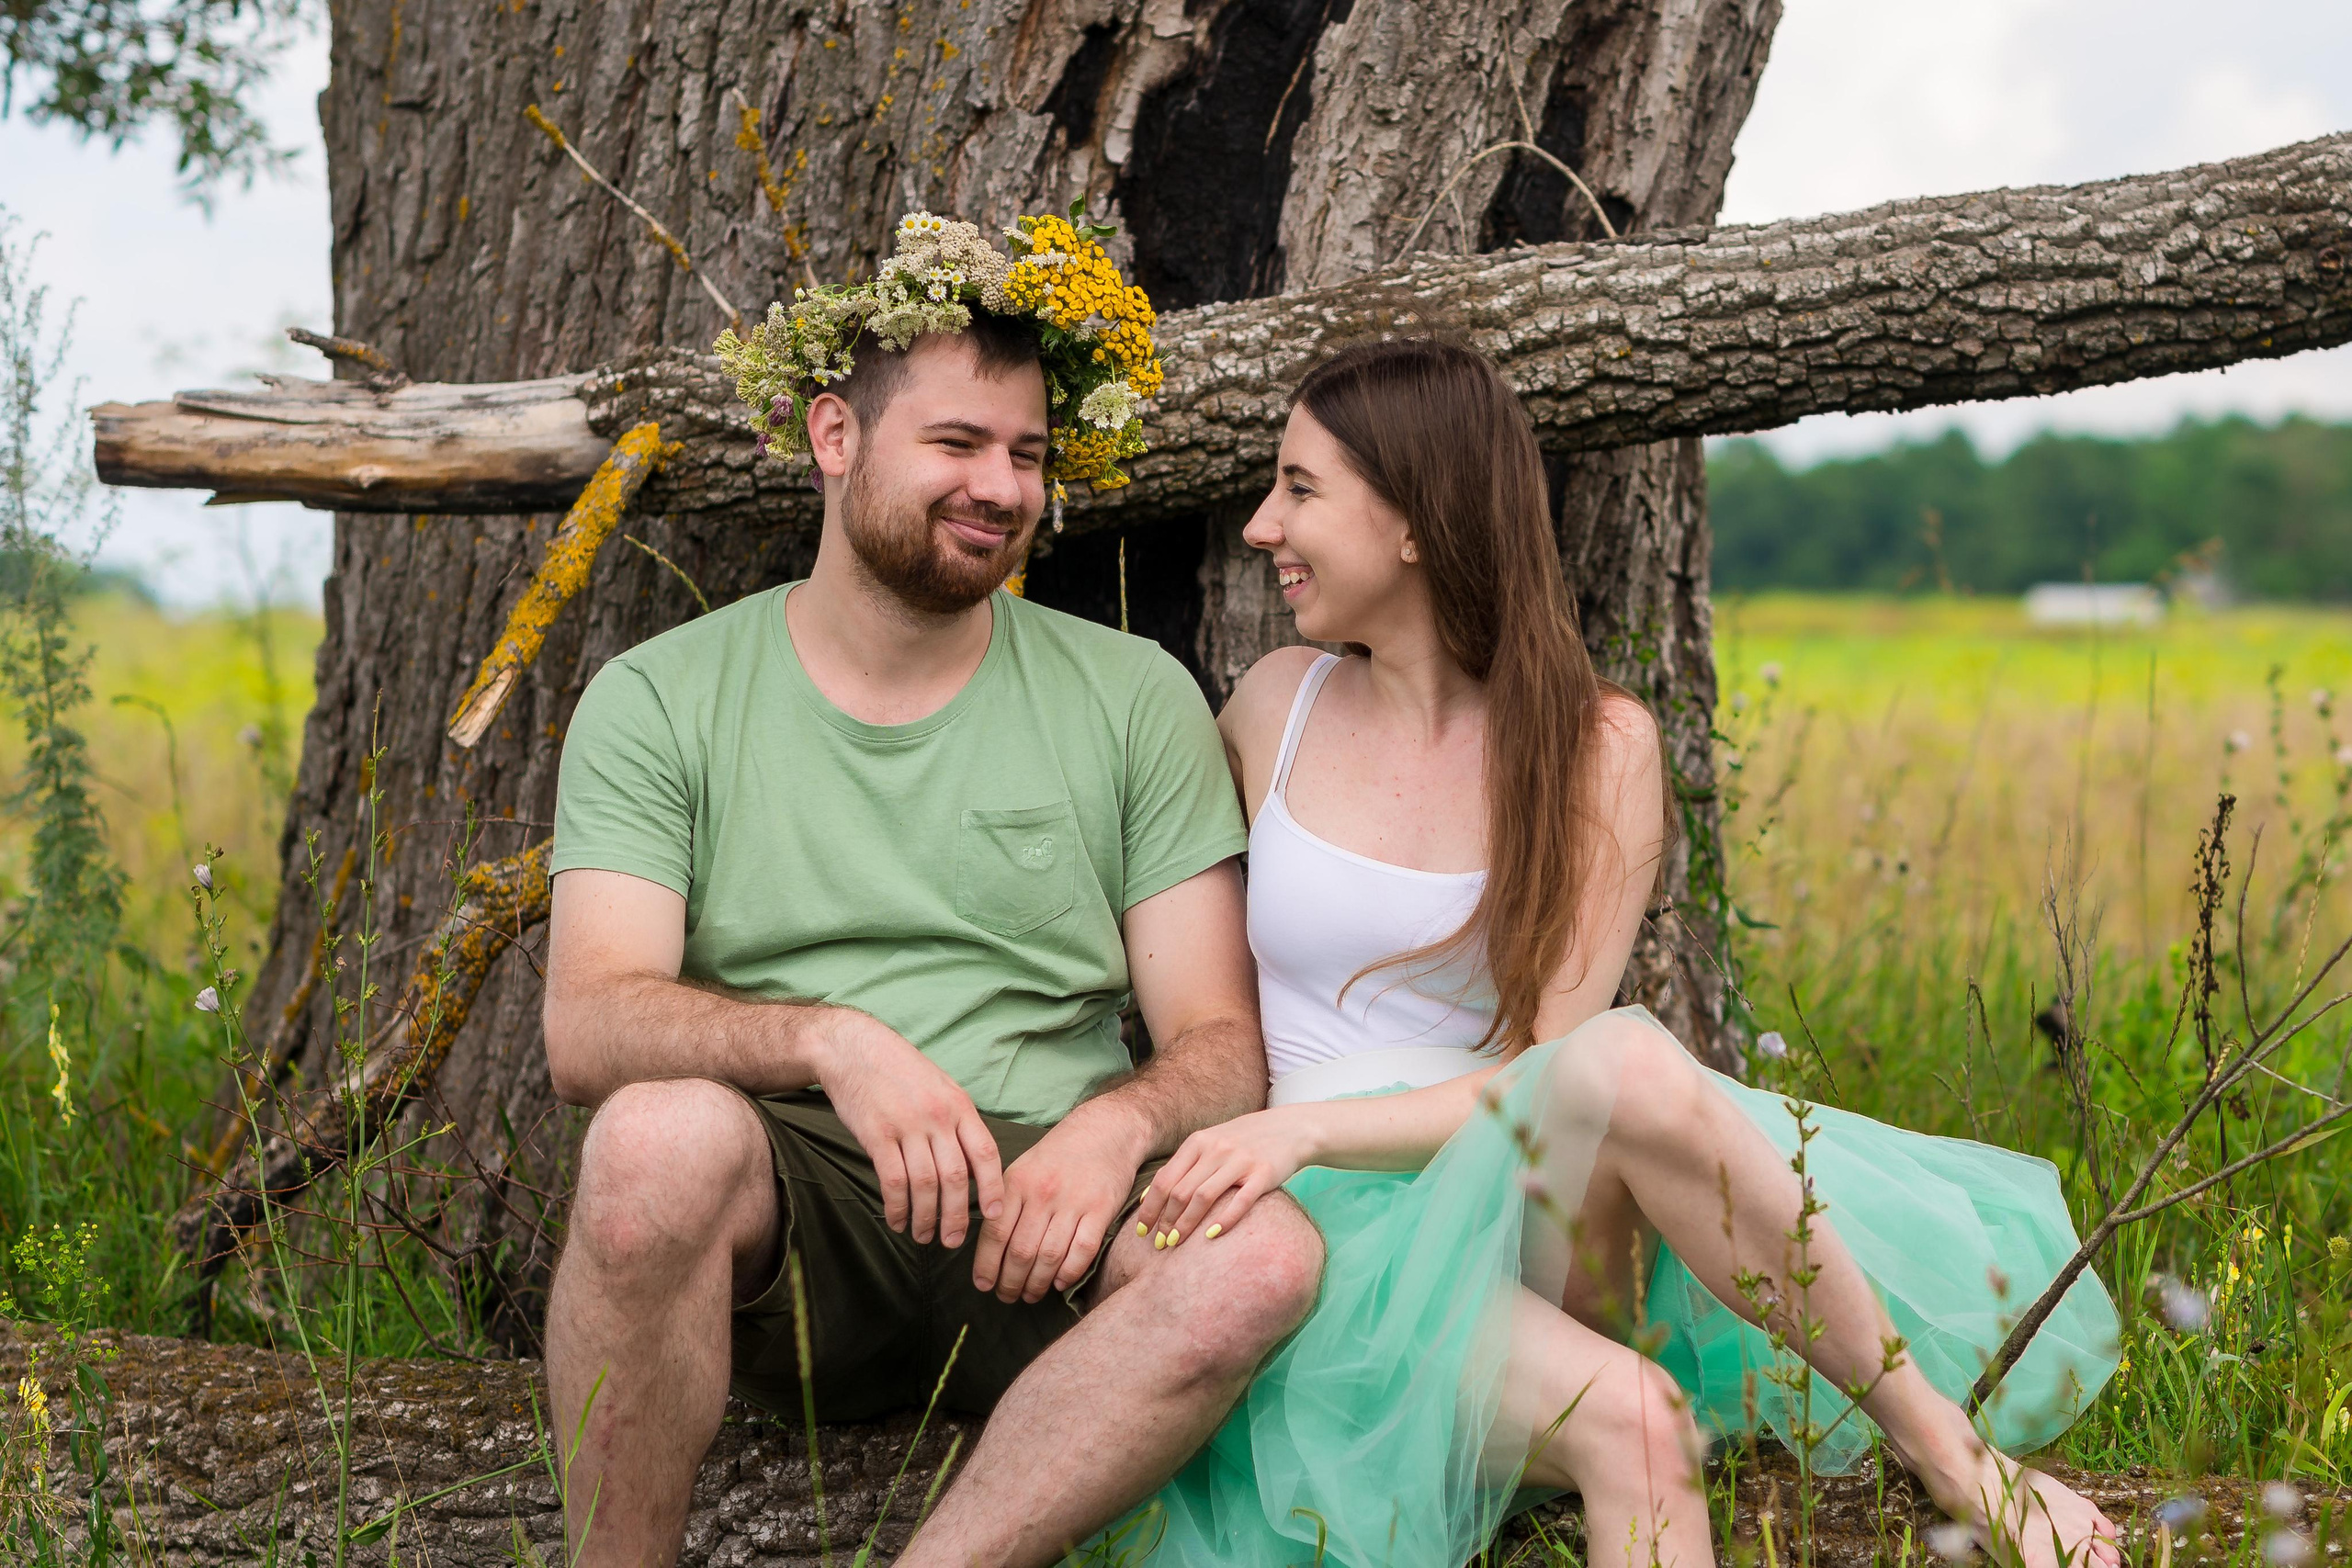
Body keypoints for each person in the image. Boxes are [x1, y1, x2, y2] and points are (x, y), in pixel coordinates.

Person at [1108, 337, 2125, 1568]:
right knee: (1636, 1416)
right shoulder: (1275, 705)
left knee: (1620, 1064)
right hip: (1313, 1243)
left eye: (1301, 487)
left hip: (1513, 1209)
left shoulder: (1596, 747)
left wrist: (1308, 1126)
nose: (1265, 523)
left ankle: (1941, 1444)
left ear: (1418, 520)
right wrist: (1278, 1137)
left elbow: (1550, 1077)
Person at [539, 213, 1324, 1568]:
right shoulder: (660, 698)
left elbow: (1221, 1042)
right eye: (957, 445)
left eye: (1026, 455)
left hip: (1052, 1215)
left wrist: (1113, 1130)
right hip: (807, 1192)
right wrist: (828, 1042)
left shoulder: (1131, 695)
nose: (1002, 488)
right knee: (650, 1145)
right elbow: (589, 1028)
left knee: (1262, 1261)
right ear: (835, 436)